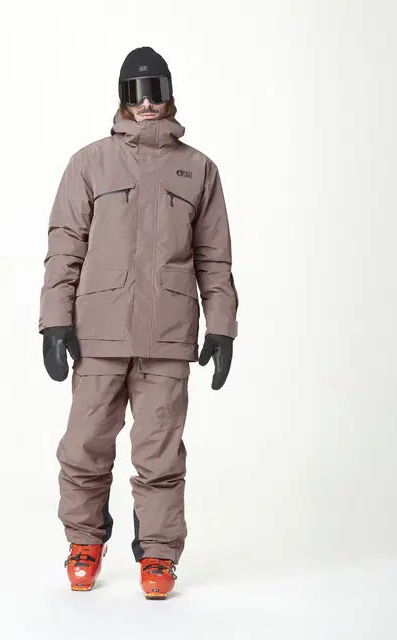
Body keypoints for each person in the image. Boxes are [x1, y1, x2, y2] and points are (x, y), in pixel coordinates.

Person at [38, 46, 238, 599]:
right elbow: (64, 246)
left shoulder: (198, 169)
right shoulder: (90, 163)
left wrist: (221, 327)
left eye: (155, 90)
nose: (146, 102)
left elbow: (214, 256)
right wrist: (54, 323)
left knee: (160, 454)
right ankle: (84, 542)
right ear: (122, 96)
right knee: (84, 446)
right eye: (135, 91)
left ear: (170, 94)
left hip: (167, 338)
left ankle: (158, 553)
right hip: (98, 333)